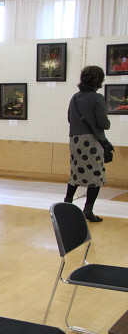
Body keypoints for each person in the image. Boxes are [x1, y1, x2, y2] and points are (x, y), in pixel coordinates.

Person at [64, 65, 110, 222]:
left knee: (76, 173)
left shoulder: (75, 98)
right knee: (96, 175)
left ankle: (67, 205)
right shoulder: (97, 98)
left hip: (75, 140)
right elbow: (103, 123)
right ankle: (88, 210)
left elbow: (70, 119)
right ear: (99, 81)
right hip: (91, 141)